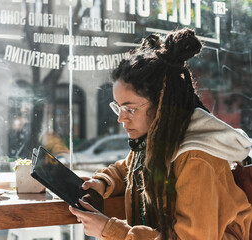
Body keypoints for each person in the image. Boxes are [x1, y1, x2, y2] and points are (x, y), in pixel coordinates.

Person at [69, 28, 252, 239]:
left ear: (163, 105)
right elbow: (127, 169)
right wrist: (102, 183)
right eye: (117, 107)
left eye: (130, 109)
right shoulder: (154, 142)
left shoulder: (196, 159)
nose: (121, 118)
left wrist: (110, 230)